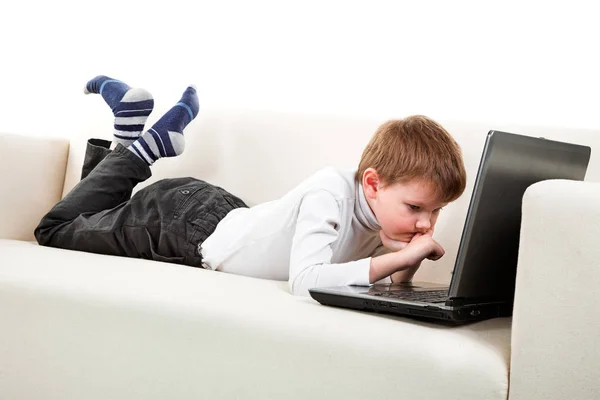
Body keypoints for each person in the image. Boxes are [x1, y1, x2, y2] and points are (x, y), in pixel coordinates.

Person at [35, 76, 467, 296]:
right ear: (372, 183)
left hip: (217, 213)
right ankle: (143, 150)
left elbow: (384, 288)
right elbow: (306, 281)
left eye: (435, 212)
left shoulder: (379, 218)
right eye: (416, 208)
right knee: (55, 231)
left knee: (88, 222)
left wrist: (403, 259)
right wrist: (401, 256)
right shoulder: (332, 191)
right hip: (181, 226)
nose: (425, 223)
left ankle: (126, 137)